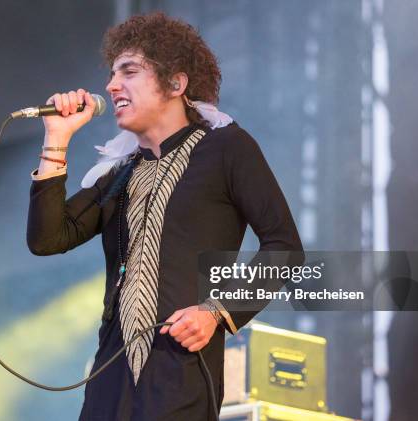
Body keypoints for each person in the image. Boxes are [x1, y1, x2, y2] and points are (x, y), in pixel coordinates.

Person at [27, 12, 302, 421]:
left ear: (176, 83)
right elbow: (47, 239)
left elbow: (285, 248)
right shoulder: (118, 173)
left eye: (129, 71)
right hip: (110, 376)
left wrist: (215, 311)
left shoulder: (226, 148)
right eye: (112, 73)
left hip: (180, 372)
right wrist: (56, 139)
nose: (111, 85)